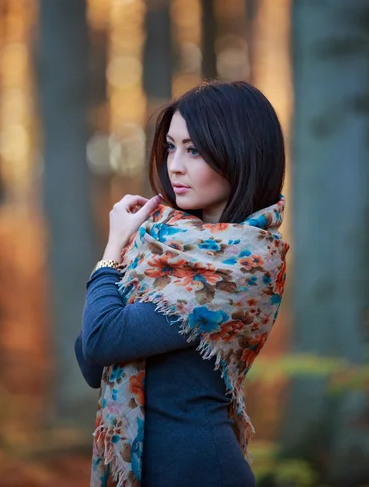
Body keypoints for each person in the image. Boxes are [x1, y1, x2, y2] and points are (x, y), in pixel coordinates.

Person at [75, 80, 289, 487]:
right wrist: (126, 252)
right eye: (171, 146)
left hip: (201, 471)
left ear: (240, 154)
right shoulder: (162, 248)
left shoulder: (244, 264)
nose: (175, 164)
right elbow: (90, 359)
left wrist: (113, 249)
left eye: (194, 150)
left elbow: (102, 338)